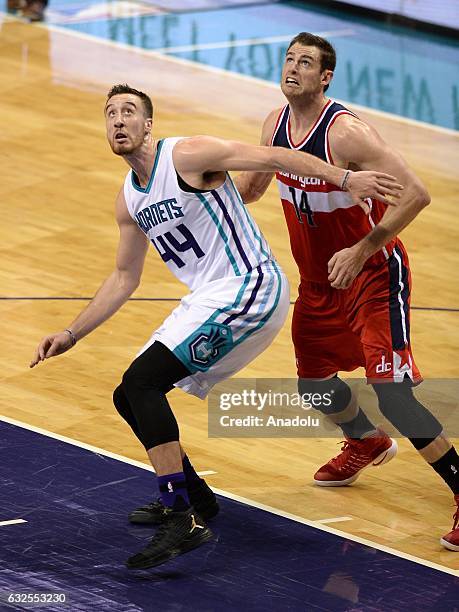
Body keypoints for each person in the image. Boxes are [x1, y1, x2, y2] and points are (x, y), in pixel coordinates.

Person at [30, 83, 403, 570]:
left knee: (143, 384)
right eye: (110, 114)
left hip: (249, 286)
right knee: (129, 395)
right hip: (207, 298)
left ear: (148, 125)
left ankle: (180, 515)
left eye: (129, 113)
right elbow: (124, 277)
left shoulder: (187, 155)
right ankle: (196, 498)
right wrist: (72, 333)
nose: (118, 121)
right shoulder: (129, 198)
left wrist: (342, 178)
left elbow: (271, 157)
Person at [234, 33, 459, 552]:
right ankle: (365, 441)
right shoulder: (274, 124)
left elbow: (417, 194)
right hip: (319, 283)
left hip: (372, 274)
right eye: (288, 59)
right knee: (314, 387)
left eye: (305, 62)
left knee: (395, 398)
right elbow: (249, 190)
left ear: (325, 77)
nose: (292, 68)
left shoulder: (347, 134)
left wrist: (363, 248)